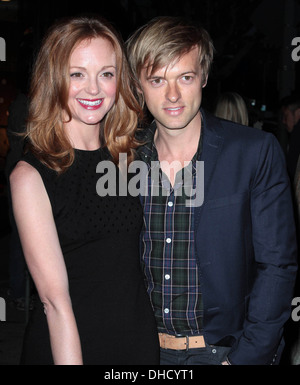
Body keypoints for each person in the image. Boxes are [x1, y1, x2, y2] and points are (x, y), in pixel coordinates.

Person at [126, 16, 298, 365]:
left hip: (223, 353)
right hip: (139, 348)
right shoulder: (123, 159)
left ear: (203, 76)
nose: (172, 94)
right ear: (138, 86)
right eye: (157, 79)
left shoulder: (253, 152)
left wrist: (246, 358)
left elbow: (277, 265)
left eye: (185, 77)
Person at [10, 15, 159, 365]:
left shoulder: (130, 159)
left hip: (137, 342)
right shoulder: (32, 175)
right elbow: (54, 302)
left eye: (106, 74)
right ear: (54, 79)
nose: (93, 89)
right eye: (77, 73)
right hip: (69, 349)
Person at [280, 95, 300, 182]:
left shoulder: (297, 134)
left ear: (298, 113)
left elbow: (291, 170)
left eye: (286, 116)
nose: (283, 121)